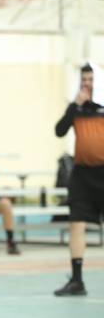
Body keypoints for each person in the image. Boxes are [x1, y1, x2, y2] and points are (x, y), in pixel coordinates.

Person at [53, 62, 104, 297]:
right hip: (82, 175)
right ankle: (77, 280)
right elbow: (60, 130)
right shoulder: (76, 108)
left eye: (91, 79)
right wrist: (75, 105)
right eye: (84, 79)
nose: (87, 84)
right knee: (76, 224)